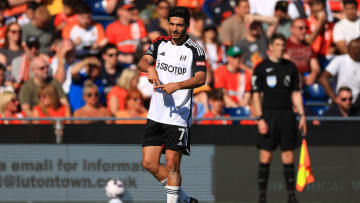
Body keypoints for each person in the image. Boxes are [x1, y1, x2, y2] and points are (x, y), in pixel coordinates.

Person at [138, 6, 206, 203]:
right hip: (156, 113)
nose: (175, 29)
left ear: (187, 26)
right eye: (172, 24)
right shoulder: (159, 43)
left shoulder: (195, 49)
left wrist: (178, 85)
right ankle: (184, 199)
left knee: (172, 165)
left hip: (178, 115)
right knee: (149, 162)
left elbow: (201, 77)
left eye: (179, 25)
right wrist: (149, 68)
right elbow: (143, 61)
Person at [252, 33, 306, 203]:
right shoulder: (261, 67)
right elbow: (255, 95)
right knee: (266, 156)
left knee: (288, 155)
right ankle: (262, 197)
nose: (281, 48)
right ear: (271, 47)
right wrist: (260, 118)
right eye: (278, 45)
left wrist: (302, 115)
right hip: (268, 114)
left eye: (283, 45)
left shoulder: (290, 67)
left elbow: (296, 93)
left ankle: (291, 196)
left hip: (287, 114)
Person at [319, 38, 360, 104]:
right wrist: (334, 99)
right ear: (350, 49)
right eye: (357, 48)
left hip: (356, 105)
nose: (358, 51)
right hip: (340, 104)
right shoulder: (340, 60)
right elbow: (323, 78)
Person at [285, 18, 320, 86]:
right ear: (292, 29)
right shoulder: (285, 45)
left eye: (306, 28)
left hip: (306, 81)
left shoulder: (308, 46)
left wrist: (314, 74)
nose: (304, 31)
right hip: (291, 81)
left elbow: (315, 67)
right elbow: (285, 66)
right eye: (300, 28)